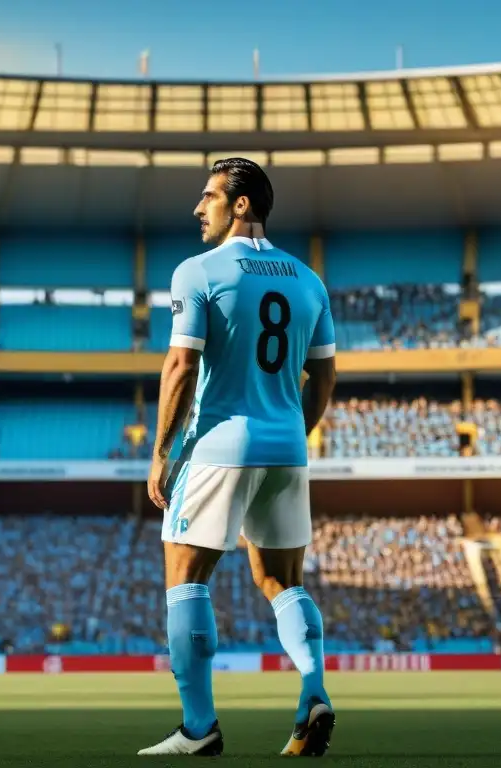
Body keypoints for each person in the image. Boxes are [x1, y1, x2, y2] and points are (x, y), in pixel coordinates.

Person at [140, 158, 337, 757]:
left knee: (185, 578)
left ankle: (199, 728)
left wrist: (161, 454)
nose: (199, 208)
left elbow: (180, 365)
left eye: (209, 197)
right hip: (287, 447)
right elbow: (324, 374)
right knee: (281, 580)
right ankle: (313, 693)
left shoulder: (198, 272)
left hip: (219, 444)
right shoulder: (308, 280)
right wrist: (291, 432)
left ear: (242, 204)